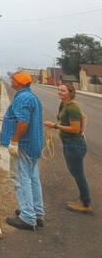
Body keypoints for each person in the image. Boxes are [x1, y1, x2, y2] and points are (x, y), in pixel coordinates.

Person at [1, 72, 45, 231]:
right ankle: (36, 212)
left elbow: (23, 123)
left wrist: (14, 141)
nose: (11, 79)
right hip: (33, 144)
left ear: (18, 82)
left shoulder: (23, 98)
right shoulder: (30, 96)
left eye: (13, 78)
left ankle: (27, 217)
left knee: (20, 178)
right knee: (33, 178)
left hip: (24, 145)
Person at [43, 83, 92, 213]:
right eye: (59, 90)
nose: (59, 92)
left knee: (78, 174)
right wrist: (82, 132)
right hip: (70, 144)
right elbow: (84, 117)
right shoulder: (64, 105)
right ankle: (83, 199)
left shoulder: (72, 107)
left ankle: (86, 203)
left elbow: (74, 128)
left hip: (74, 145)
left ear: (70, 93)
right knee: (75, 173)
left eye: (63, 90)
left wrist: (55, 126)